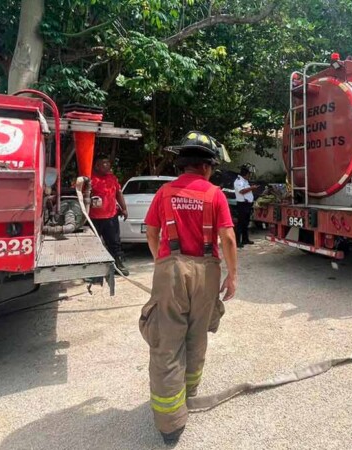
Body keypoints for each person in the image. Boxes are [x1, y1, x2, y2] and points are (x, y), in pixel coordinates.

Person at [140, 131, 238, 445]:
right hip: (207, 272)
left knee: (167, 342)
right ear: (207, 167)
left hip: (171, 270)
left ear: (182, 164)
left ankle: (170, 425)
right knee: (196, 337)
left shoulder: (165, 192)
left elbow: (152, 232)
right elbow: (229, 239)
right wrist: (231, 276)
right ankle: (189, 393)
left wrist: (163, 263)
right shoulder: (215, 194)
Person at [90, 156, 129, 275]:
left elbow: (118, 193)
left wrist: (124, 208)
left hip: (111, 217)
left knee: (115, 242)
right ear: (97, 166)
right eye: (104, 163)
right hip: (94, 218)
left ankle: (118, 265)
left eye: (108, 163)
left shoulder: (112, 178)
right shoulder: (90, 179)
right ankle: (93, 270)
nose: (107, 166)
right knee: (93, 244)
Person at [233, 165, 258, 248]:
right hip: (242, 204)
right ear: (245, 174)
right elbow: (242, 191)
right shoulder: (239, 181)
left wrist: (251, 188)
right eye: (249, 174)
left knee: (246, 223)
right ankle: (237, 242)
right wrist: (252, 188)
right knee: (240, 223)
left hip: (247, 204)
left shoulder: (245, 181)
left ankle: (245, 239)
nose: (249, 176)